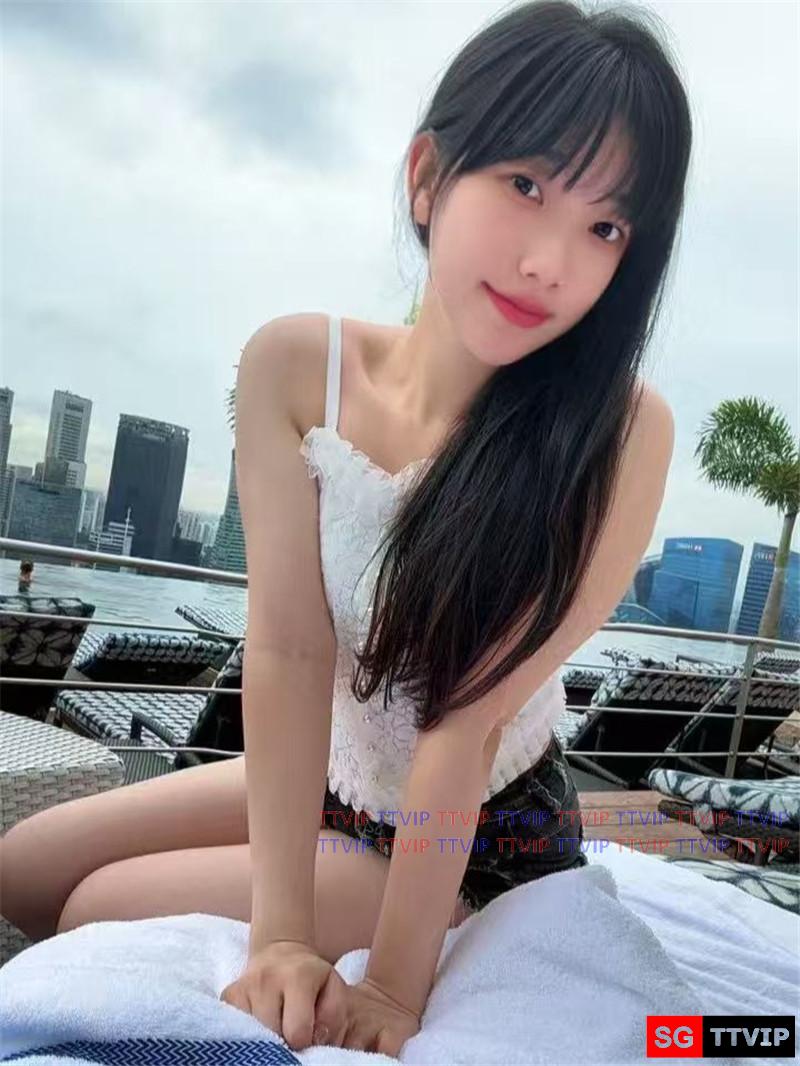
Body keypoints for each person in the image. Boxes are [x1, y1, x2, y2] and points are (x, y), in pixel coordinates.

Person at [0, 0, 691, 1056]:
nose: (551, 261)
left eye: (605, 227)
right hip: (337, 778)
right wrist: (277, 933)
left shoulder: (618, 434)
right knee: (24, 864)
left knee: (94, 905)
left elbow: (464, 724)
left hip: (481, 838)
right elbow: (287, 646)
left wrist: (398, 992)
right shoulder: (295, 367)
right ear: (428, 177)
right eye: (526, 185)